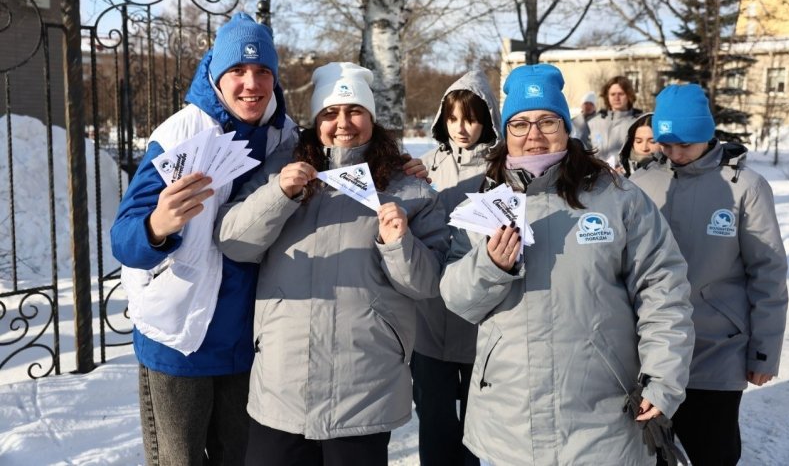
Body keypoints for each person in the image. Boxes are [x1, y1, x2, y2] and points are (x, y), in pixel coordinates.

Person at [439, 63, 695, 466]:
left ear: (566, 126)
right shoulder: (484, 206)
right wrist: (490, 266)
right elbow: (457, 299)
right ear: (505, 132)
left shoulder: (617, 197)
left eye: (547, 121)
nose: (534, 135)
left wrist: (663, 379)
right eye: (520, 123)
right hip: (510, 422)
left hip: (603, 419)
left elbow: (663, 291)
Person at [214, 62, 450, 466]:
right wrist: (279, 195)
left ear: (372, 118)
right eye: (330, 112)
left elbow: (426, 285)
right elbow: (233, 243)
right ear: (315, 120)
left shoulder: (410, 189)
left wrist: (398, 244)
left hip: (364, 390)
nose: (343, 123)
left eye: (355, 110)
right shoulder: (279, 171)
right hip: (282, 386)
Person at [110, 12, 297, 465]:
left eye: (263, 71)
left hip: (248, 341)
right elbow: (123, 238)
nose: (251, 83)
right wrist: (157, 226)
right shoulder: (181, 134)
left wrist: (401, 170)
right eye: (238, 70)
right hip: (180, 340)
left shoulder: (285, 136)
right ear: (216, 75)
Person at [631, 84, 789, 466]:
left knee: (713, 451)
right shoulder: (641, 183)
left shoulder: (746, 187)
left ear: (707, 133)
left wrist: (764, 352)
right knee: (650, 453)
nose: (675, 153)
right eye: (667, 144)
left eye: (685, 144)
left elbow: (768, 272)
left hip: (718, 351)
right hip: (651, 352)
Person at [414, 70, 501, 466]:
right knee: (434, 424)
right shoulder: (423, 167)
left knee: (476, 430)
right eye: (452, 118)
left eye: (471, 119)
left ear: (487, 120)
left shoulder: (503, 170)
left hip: (480, 326)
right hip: (429, 323)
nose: (461, 128)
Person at [587, 75, 642, 167]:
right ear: (607, 96)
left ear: (629, 95)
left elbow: (643, 154)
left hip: (627, 174)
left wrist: (625, 168)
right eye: (613, 94)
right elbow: (585, 153)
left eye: (621, 94)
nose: (616, 98)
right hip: (598, 173)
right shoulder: (594, 123)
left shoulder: (639, 123)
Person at [618, 112, 660, 178]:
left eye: (652, 141)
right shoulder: (619, 177)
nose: (644, 148)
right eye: (638, 141)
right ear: (631, 143)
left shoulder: (672, 177)